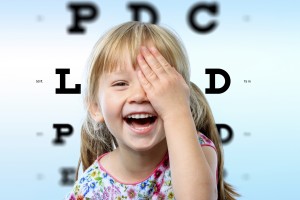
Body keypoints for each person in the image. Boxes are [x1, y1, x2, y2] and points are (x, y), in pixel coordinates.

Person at [65, 21, 240, 200]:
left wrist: (176, 111)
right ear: (95, 107)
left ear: (179, 96)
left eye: (155, 82)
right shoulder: (90, 187)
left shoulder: (196, 149)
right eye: (121, 84)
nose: (140, 95)